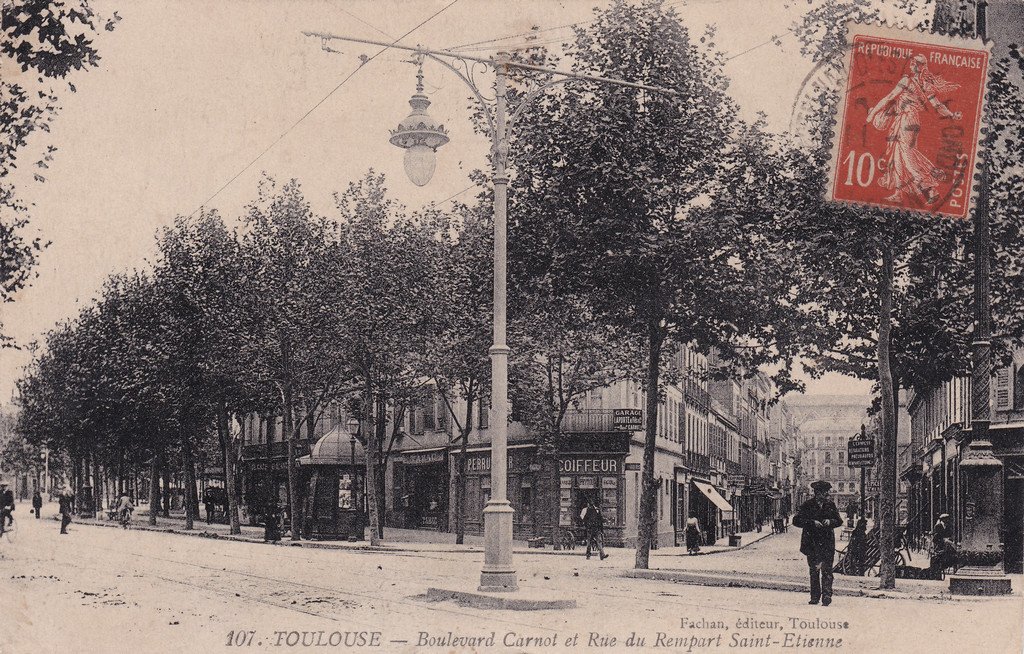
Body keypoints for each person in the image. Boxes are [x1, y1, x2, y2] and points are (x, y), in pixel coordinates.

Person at [866, 53, 962, 206]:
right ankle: (898, 192)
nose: (910, 64)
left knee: (907, 156)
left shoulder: (906, 80)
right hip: (913, 121)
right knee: (898, 155)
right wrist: (951, 114)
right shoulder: (926, 85)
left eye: (913, 63)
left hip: (906, 119)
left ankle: (930, 187)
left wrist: (872, 114)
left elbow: (889, 97)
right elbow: (937, 105)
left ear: (918, 66)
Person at [793, 480, 844, 606]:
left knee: (827, 571)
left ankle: (827, 596)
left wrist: (830, 522)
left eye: (827, 491)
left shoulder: (830, 505)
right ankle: (815, 596)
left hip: (827, 544)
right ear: (817, 493)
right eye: (825, 492)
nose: (827, 494)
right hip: (812, 544)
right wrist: (811, 522)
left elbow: (839, 521)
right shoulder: (807, 505)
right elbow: (796, 520)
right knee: (814, 571)